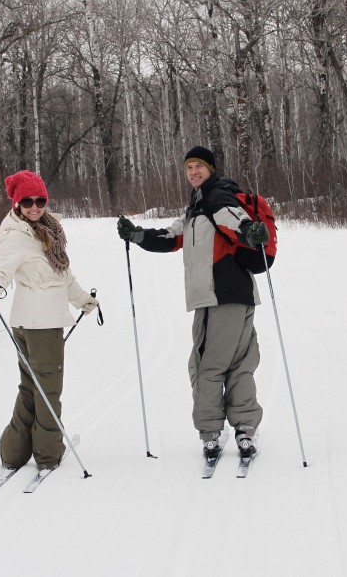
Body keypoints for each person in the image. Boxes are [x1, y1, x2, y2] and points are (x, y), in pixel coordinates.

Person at [116, 146, 271, 459]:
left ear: (211, 169)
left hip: (220, 297)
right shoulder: (198, 206)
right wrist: (138, 235)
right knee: (239, 363)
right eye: (189, 168)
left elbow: (233, 219)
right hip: (238, 295)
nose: (194, 172)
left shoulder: (216, 198)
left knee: (205, 365)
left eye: (200, 166)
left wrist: (248, 231)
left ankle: (211, 431)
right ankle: (243, 428)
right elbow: (173, 237)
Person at [0, 170, 99, 471]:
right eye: (27, 201)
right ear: (17, 203)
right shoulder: (17, 236)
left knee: (33, 387)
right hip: (39, 323)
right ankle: (47, 454)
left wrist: (83, 299)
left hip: (33, 320)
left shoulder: (46, 230)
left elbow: (62, 276)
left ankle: (14, 452)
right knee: (48, 390)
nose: (35, 206)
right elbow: (2, 269)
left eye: (40, 200)